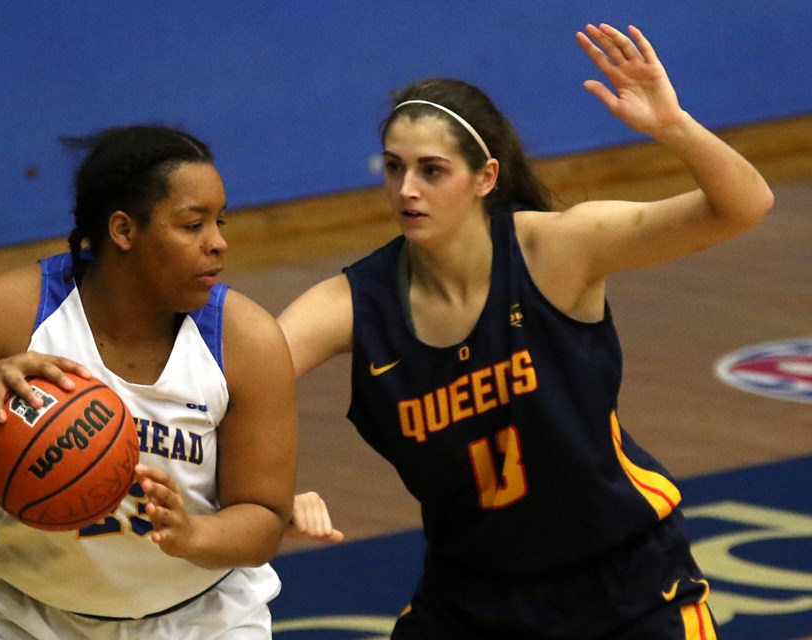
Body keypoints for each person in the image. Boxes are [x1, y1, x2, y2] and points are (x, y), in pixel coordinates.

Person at [281, 23, 773, 639]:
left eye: (432, 170)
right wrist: (271, 494)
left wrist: (672, 125)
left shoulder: (555, 249)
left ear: (484, 177)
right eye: (394, 167)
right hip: (475, 598)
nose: (407, 190)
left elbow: (744, 206)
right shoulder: (354, 303)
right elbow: (231, 384)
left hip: (626, 581)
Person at [0, 124, 298, 638]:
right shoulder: (12, 314)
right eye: (193, 225)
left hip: (200, 621)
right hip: (24, 619)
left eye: (219, 221)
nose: (218, 244)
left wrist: (196, 534)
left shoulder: (245, 340)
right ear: (123, 230)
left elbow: (264, 517)